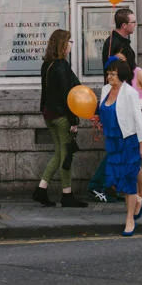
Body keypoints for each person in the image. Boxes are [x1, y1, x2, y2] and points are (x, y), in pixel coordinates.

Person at [98, 57, 142, 236]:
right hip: (112, 141)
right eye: (108, 73)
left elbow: (137, 119)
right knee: (115, 179)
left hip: (128, 140)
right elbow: (104, 112)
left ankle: (129, 219)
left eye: (112, 74)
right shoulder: (105, 90)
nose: (109, 77)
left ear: (121, 75)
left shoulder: (130, 93)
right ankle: (137, 200)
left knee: (128, 180)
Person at [35, 29, 85, 207]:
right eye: (69, 42)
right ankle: (67, 195)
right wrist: (73, 120)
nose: (71, 45)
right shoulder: (62, 66)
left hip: (49, 114)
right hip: (62, 116)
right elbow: (67, 96)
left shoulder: (46, 64)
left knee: (59, 153)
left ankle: (41, 189)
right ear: (62, 45)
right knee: (66, 156)